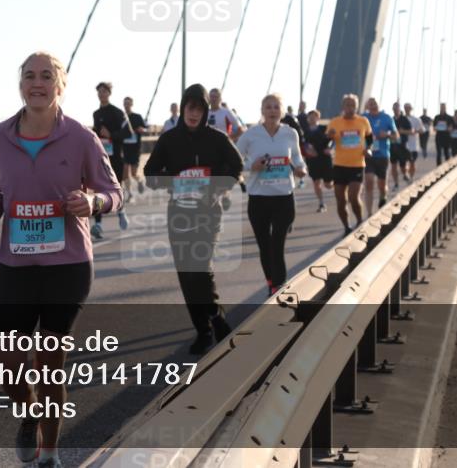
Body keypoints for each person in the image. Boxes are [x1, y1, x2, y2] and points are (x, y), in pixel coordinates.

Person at [0, 52, 122, 468]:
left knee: (49, 363)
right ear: (20, 84)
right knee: (8, 367)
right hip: (16, 265)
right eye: (29, 76)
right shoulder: (1, 135)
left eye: (45, 76)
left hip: (67, 266)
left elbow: (114, 193)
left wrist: (93, 202)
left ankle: (50, 454)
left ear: (60, 85)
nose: (36, 83)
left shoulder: (81, 138)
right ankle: (29, 415)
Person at [143, 84, 242, 355]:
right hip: (179, 214)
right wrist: (173, 180)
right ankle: (204, 330)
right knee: (186, 275)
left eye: (199, 109)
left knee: (200, 267)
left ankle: (216, 317)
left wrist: (218, 188)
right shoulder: (169, 139)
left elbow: (237, 166)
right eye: (190, 107)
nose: (194, 113)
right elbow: (150, 174)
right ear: (184, 107)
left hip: (208, 212)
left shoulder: (217, 138)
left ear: (205, 111)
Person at [237, 94, 306, 296]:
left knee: (277, 244)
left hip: (284, 197)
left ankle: (279, 285)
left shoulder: (290, 133)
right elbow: (235, 160)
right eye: (268, 107)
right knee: (265, 245)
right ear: (262, 111)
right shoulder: (251, 135)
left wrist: (301, 169)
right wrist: (251, 166)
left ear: (282, 111)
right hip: (259, 198)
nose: (272, 110)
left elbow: (297, 157)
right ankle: (271, 282)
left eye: (276, 107)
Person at [324, 94, 373, 234]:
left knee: (353, 197)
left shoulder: (363, 121)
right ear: (343, 106)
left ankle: (359, 221)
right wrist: (328, 137)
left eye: (353, 105)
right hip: (339, 165)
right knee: (340, 200)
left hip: (357, 164)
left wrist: (368, 149)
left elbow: (370, 139)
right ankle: (346, 227)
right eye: (348, 105)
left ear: (357, 107)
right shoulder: (335, 122)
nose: (350, 108)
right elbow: (327, 141)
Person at [91, 82, 130, 239]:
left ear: (109, 93)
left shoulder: (117, 112)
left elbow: (127, 132)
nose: (101, 94)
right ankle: (98, 224)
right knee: (99, 190)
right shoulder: (96, 114)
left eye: (104, 91)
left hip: (116, 158)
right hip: (100, 158)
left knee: (116, 188)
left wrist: (111, 135)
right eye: (99, 91)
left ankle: (121, 210)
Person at [362, 98, 397, 209]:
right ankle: (369, 213)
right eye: (370, 104)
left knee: (382, 185)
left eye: (374, 103)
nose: (373, 106)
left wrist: (387, 135)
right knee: (369, 182)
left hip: (383, 155)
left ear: (378, 105)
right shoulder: (363, 118)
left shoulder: (386, 118)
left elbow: (396, 136)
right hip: (368, 155)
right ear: (367, 106)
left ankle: (383, 196)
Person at [303, 109, 333, 212]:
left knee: (328, 185)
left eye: (314, 116)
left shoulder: (324, 128)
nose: (312, 118)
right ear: (308, 119)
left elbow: (333, 139)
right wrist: (307, 150)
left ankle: (338, 187)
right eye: (310, 117)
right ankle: (321, 203)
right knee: (316, 182)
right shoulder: (305, 131)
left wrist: (330, 148)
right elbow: (303, 144)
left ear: (318, 117)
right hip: (312, 159)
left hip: (325, 158)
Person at [121, 97, 147, 201]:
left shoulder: (137, 117)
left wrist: (142, 130)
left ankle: (140, 181)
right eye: (125, 103)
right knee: (125, 173)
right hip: (124, 148)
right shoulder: (121, 117)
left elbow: (145, 129)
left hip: (135, 148)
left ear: (132, 104)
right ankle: (129, 193)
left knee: (133, 173)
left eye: (128, 103)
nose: (126, 105)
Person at [390, 102, 411, 189]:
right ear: (392, 109)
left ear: (399, 109)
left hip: (402, 146)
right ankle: (396, 184)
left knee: (403, 166)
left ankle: (405, 174)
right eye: (394, 108)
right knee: (393, 165)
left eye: (397, 108)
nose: (395, 110)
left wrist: (402, 131)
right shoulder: (390, 119)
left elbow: (411, 131)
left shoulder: (404, 119)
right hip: (392, 146)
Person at [402, 103, 424, 182]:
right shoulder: (401, 119)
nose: (407, 109)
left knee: (412, 162)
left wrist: (414, 131)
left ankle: (411, 177)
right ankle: (406, 174)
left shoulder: (416, 119)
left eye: (408, 107)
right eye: (405, 107)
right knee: (403, 163)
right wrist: (405, 132)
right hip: (403, 145)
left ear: (411, 109)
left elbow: (422, 130)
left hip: (414, 146)